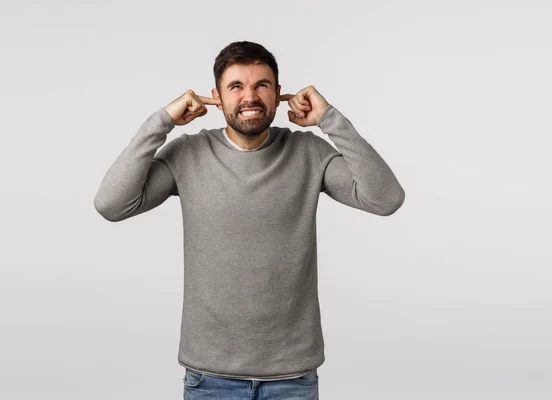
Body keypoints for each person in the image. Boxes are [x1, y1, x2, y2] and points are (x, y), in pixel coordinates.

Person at [93, 40, 405, 400]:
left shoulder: (309, 152)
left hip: (292, 376)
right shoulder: (188, 154)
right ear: (217, 97)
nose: (250, 97)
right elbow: (111, 205)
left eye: (261, 85)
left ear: (277, 94)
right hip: (209, 376)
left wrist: (331, 120)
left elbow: (386, 199)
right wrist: (161, 122)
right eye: (236, 87)